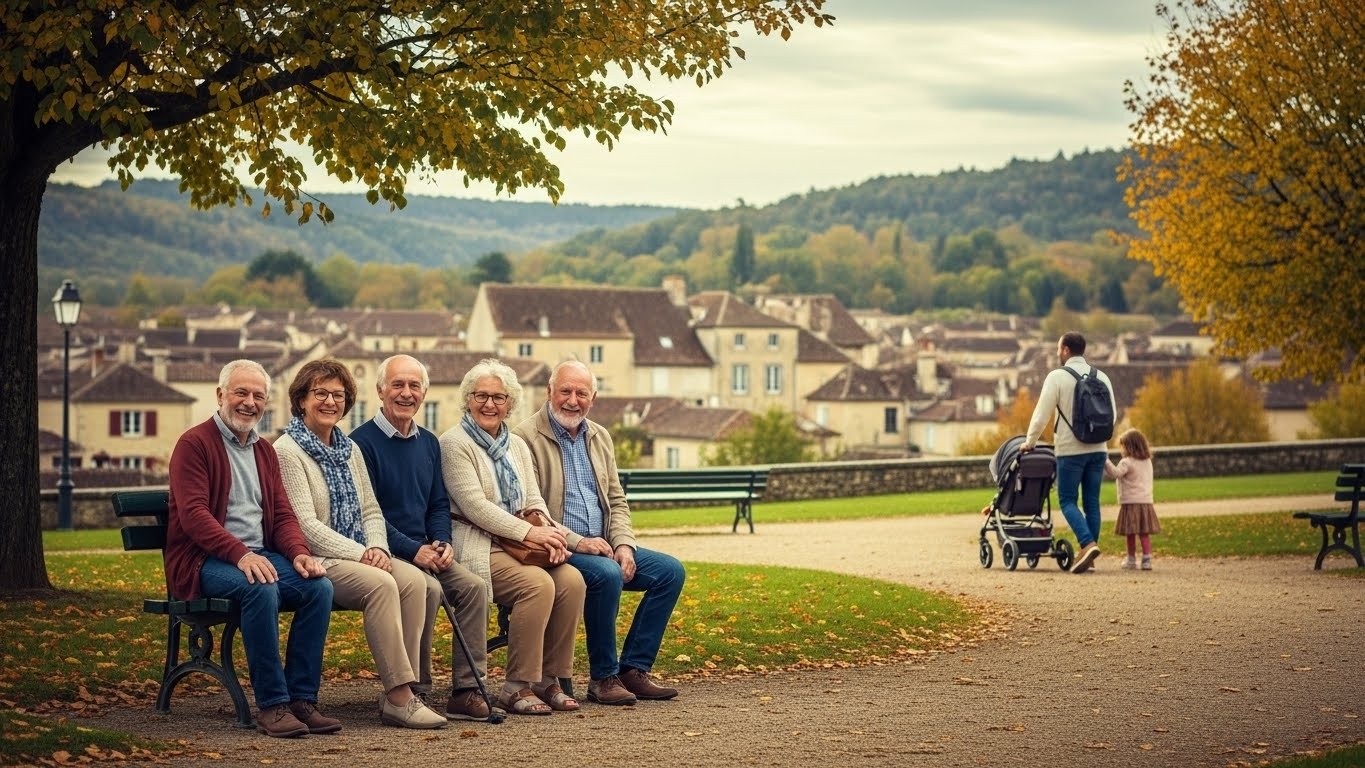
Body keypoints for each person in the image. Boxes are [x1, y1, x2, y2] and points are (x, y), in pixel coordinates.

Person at [165, 359, 339, 738]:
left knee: (318, 588)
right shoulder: (194, 444)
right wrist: (241, 554)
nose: (249, 402)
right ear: (220, 395)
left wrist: (298, 553)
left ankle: (302, 700)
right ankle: (273, 705)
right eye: (241, 393)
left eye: (258, 395)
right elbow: (194, 516)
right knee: (260, 589)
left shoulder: (264, 450)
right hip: (204, 562)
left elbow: (281, 513)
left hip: (258, 556)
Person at [274, 359, 447, 730]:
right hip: (320, 558)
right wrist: (363, 554)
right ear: (301, 399)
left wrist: (379, 548)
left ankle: (406, 690)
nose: (330, 402)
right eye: (320, 393)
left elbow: (370, 508)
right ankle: (400, 696)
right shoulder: (287, 451)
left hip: (363, 551)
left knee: (417, 581)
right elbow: (306, 526)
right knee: (383, 584)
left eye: (338, 395)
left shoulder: (347, 447)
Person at [515, 360, 686, 705]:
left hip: (604, 545)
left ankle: (633, 670)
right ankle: (603, 677)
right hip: (559, 547)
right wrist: (581, 543)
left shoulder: (599, 436)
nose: (572, 400)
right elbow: (532, 511)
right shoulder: (524, 438)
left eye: (581, 393)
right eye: (565, 391)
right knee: (607, 574)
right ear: (549, 392)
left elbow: (616, 500)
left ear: (593, 397)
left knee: (670, 572)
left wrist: (624, 544)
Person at [439, 358, 586, 716]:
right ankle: (516, 685)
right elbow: (474, 506)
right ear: (468, 399)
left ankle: (548, 680)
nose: (490, 404)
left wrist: (551, 536)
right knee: (536, 585)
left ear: (510, 402)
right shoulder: (453, 443)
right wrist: (532, 533)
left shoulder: (515, 444)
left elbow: (533, 498)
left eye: (499, 397)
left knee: (572, 580)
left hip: (521, 543)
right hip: (476, 542)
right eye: (481, 396)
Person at [351, 354, 492, 721]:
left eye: (414, 386)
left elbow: (437, 504)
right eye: (397, 385)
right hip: (387, 551)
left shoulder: (429, 442)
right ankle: (414, 690)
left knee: (474, 588)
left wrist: (443, 542)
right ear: (380, 390)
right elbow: (371, 515)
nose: (406, 393)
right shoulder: (360, 444)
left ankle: (466, 690)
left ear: (424, 392)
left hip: (428, 550)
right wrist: (415, 551)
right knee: (426, 588)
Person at [1022, 332, 1116, 574]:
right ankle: (1089, 557)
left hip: (1070, 449)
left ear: (1065, 350)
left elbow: (1042, 413)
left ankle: (1087, 544)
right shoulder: (1101, 376)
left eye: (1057, 348)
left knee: (1067, 500)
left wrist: (1030, 441)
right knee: (1092, 502)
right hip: (1098, 449)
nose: (1056, 353)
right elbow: (1112, 415)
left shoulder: (1057, 377)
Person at [1105, 427, 1161, 571]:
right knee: (1144, 532)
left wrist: (1105, 461)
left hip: (1130, 502)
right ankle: (1147, 559)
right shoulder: (1147, 461)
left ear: (1129, 446)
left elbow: (1115, 474)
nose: (1121, 450)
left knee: (1130, 533)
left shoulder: (1127, 462)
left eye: (1123, 446)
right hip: (1146, 502)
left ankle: (1131, 559)